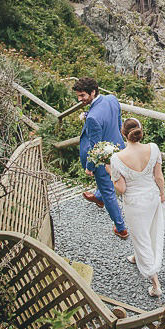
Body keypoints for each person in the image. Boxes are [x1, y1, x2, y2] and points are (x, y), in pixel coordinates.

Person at [110, 118, 165, 297]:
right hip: (152, 197)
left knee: (141, 237)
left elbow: (121, 189)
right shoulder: (153, 148)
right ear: (140, 131)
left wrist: (110, 174)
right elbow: (159, 177)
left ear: (123, 135)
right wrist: (162, 195)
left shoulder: (116, 158)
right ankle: (137, 257)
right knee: (149, 229)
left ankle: (155, 284)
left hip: (135, 204)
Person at [73, 77, 128, 239]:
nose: (79, 99)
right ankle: (98, 197)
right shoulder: (112, 99)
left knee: (108, 191)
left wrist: (90, 167)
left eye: (82, 95)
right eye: (78, 96)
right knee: (105, 189)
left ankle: (121, 228)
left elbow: (95, 148)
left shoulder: (92, 118)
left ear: (93, 92)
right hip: (119, 148)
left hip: (104, 158)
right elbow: (119, 123)